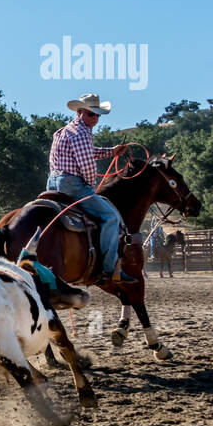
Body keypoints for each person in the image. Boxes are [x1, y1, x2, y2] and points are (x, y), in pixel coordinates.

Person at [46, 93, 136, 286]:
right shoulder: (82, 132)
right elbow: (87, 165)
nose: (94, 119)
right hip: (72, 185)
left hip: (52, 183)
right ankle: (109, 269)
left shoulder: (64, 131)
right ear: (80, 113)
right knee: (110, 217)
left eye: (97, 115)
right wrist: (90, 186)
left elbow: (88, 152)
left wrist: (111, 152)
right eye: (90, 114)